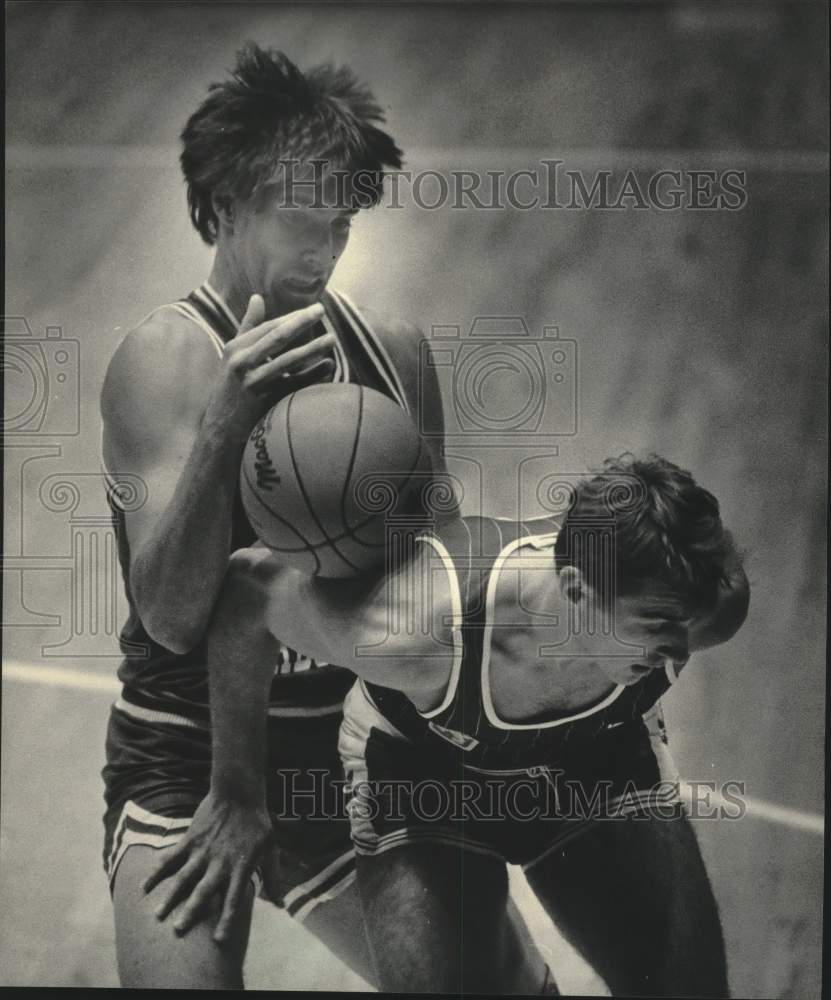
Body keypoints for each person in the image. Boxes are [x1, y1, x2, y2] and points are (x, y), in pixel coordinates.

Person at [98, 42, 553, 991]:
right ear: (223, 206)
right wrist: (225, 429)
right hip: (183, 754)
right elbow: (174, 618)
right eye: (301, 224)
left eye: (340, 227)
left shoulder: (392, 354)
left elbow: (439, 584)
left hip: (346, 749)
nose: (324, 252)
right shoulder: (161, 362)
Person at [159, 453, 749, 994]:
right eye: (656, 624)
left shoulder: (706, 613)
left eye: (686, 621)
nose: (678, 649)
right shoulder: (419, 628)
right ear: (576, 588)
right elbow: (247, 593)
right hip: (424, 778)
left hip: (597, 760)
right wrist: (236, 792)